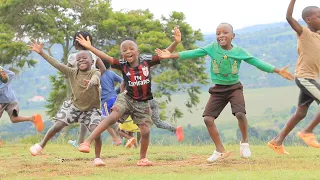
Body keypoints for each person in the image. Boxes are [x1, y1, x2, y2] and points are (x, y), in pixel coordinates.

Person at [155, 23, 294, 163]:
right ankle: (220, 150)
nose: (221, 35)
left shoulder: (239, 52)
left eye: (225, 32)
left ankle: (244, 143)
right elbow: (193, 53)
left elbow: (255, 62)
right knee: (208, 119)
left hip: (234, 88)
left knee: (240, 113)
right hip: (218, 90)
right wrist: (171, 55)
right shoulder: (212, 48)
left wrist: (277, 70)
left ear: (233, 36)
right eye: (218, 33)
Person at [75, 27, 181, 166]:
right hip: (126, 98)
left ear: (138, 51)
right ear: (122, 54)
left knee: (145, 131)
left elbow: (164, 54)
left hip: (142, 103)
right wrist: (90, 48)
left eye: (131, 49)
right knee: (112, 117)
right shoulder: (122, 65)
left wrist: (175, 42)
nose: (128, 51)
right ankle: (87, 142)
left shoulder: (146, 62)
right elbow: (106, 57)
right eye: (124, 50)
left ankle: (142, 158)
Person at [28, 42, 105, 166]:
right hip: (74, 107)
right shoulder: (72, 72)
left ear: (92, 61)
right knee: (57, 125)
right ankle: (40, 145)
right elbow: (57, 64)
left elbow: (96, 79)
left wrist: (90, 83)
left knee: (95, 131)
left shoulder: (95, 72)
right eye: (78, 59)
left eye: (84, 58)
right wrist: (42, 52)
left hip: (91, 110)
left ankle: (97, 158)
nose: (81, 61)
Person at [268, 0, 320, 154]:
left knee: (301, 112)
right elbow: (289, 18)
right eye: (319, 16)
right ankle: (307, 132)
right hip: (305, 78)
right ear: (308, 20)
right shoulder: (304, 33)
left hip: (310, 78)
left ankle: (276, 141)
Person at [67, 31, 121, 147]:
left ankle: (114, 124)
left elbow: (67, 73)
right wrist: (94, 77)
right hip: (95, 89)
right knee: (86, 114)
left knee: (88, 113)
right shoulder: (93, 55)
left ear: (75, 44)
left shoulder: (73, 57)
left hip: (81, 90)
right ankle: (80, 141)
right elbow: (102, 68)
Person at [0, 66, 44, 133]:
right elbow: (11, 74)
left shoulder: (5, 76)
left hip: (8, 100)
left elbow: (11, 74)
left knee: (14, 119)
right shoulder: (5, 77)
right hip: (11, 99)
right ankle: (32, 118)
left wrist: (3, 70)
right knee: (14, 119)